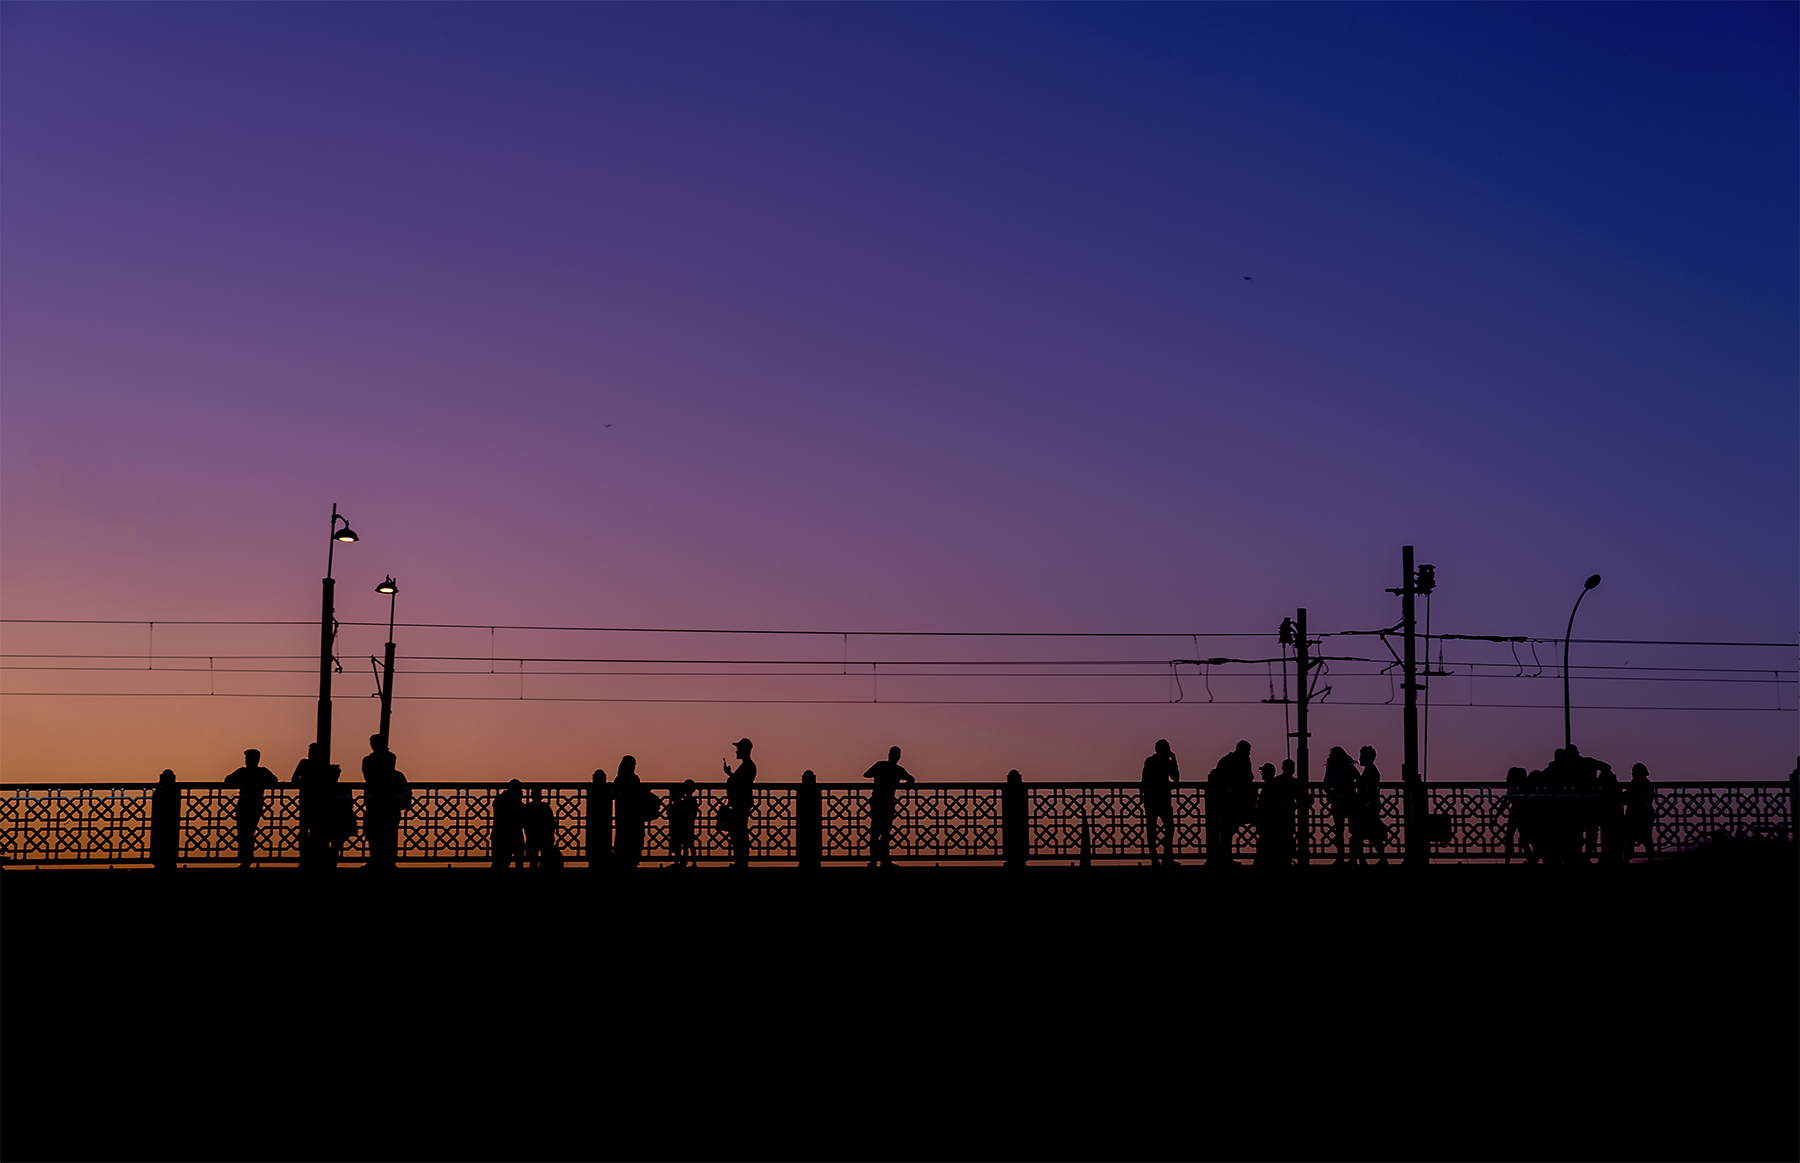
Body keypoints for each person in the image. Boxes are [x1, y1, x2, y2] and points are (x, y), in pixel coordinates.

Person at [223, 749, 279, 869]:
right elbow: (274, 781)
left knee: (245, 833)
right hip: (252, 805)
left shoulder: (245, 772)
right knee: (246, 833)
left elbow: (227, 780)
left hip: (247, 805)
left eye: (248, 758)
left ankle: (246, 860)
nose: (247, 760)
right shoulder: (261, 772)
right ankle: (246, 859)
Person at [862, 746, 915, 868]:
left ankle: (874, 861)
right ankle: (884, 861)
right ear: (898, 757)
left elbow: (866, 774)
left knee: (876, 833)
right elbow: (911, 779)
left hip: (877, 802)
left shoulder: (881, 765)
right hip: (887, 804)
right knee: (884, 833)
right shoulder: (898, 770)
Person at [360, 735, 403, 871]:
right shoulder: (375, 759)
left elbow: (373, 777)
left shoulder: (374, 759)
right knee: (379, 832)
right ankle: (381, 860)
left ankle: (382, 860)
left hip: (380, 800)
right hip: (380, 800)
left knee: (382, 832)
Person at [1208, 741, 1253, 864]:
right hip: (1233, 801)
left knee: (1225, 830)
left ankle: (1222, 856)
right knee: (1228, 829)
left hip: (1223, 801)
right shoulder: (1242, 761)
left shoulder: (1226, 760)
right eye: (1248, 750)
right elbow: (1249, 778)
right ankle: (1225, 857)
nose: (1249, 753)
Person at [1140, 739, 1180, 867]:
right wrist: (1174, 760)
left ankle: (1155, 859)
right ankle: (1166, 857)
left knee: (1151, 828)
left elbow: (1144, 780)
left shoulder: (1150, 761)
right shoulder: (1165, 762)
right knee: (1169, 827)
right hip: (1162, 799)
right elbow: (1176, 779)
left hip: (1150, 799)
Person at [291, 742, 328, 869]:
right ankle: (311, 859)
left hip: (307, 801)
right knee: (314, 831)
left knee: (305, 831)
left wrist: (306, 782)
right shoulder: (322, 766)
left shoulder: (304, 764)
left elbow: (294, 780)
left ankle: (305, 859)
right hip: (316, 803)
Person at [1254, 759, 1297, 866]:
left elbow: (1264, 803)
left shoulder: (1274, 783)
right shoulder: (1293, 783)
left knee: (1266, 848)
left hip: (1272, 821)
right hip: (1285, 820)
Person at [1350, 746, 1387, 865]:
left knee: (1360, 835)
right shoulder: (1371, 770)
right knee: (1369, 835)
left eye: (1362, 756)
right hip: (1370, 805)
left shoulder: (1370, 771)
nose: (1359, 758)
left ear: (1367, 757)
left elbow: (1368, 789)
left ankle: (1360, 859)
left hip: (1368, 806)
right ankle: (1366, 859)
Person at [723, 739, 756, 869]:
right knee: (738, 833)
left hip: (741, 804)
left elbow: (741, 783)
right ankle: (740, 862)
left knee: (739, 834)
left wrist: (730, 776)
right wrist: (730, 774)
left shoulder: (748, 766)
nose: (736, 751)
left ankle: (741, 863)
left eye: (738, 749)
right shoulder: (747, 765)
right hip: (740, 803)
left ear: (745, 750)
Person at [1322, 747, 1358, 864]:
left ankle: (1340, 857)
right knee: (1354, 830)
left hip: (1338, 801)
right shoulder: (1351, 768)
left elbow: (1325, 785)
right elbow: (1360, 781)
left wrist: (1332, 793)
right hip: (1352, 801)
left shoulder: (1331, 769)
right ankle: (1354, 857)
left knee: (1339, 830)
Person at [611, 759, 648, 869]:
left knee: (630, 837)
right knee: (628, 837)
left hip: (630, 816)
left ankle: (628, 859)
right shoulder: (627, 779)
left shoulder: (626, 779)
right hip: (628, 816)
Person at [1622, 763, 1656, 861]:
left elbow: (1628, 797)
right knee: (1646, 839)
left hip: (1639, 815)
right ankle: (1650, 859)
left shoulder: (1637, 784)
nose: (1632, 774)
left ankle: (1628, 858)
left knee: (1632, 838)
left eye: (1634, 772)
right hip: (1645, 815)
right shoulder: (1646, 784)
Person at [523, 788, 563, 869]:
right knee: (541, 859)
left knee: (535, 860)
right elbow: (551, 822)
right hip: (543, 836)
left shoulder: (529, 807)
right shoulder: (545, 806)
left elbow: (525, 823)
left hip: (534, 836)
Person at [492, 779, 526, 869]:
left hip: (506, 835)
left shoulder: (503, 800)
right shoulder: (503, 800)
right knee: (502, 862)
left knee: (505, 862)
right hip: (504, 835)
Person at [150, 769, 180, 871]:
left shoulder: (158, 791)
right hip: (170, 827)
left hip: (160, 827)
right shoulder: (175, 791)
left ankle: (161, 859)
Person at [1500, 767, 1530, 864]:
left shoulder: (1513, 788)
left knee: (1509, 838)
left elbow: (1505, 801)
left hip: (1515, 813)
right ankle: (1531, 860)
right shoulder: (1525, 787)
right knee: (1523, 839)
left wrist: (1496, 816)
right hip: (1525, 814)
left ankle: (1507, 861)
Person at [668, 780, 700, 868]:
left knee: (687, 844)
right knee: (688, 845)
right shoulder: (691, 800)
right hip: (687, 825)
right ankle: (689, 862)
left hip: (686, 825)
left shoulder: (690, 800)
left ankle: (687, 862)